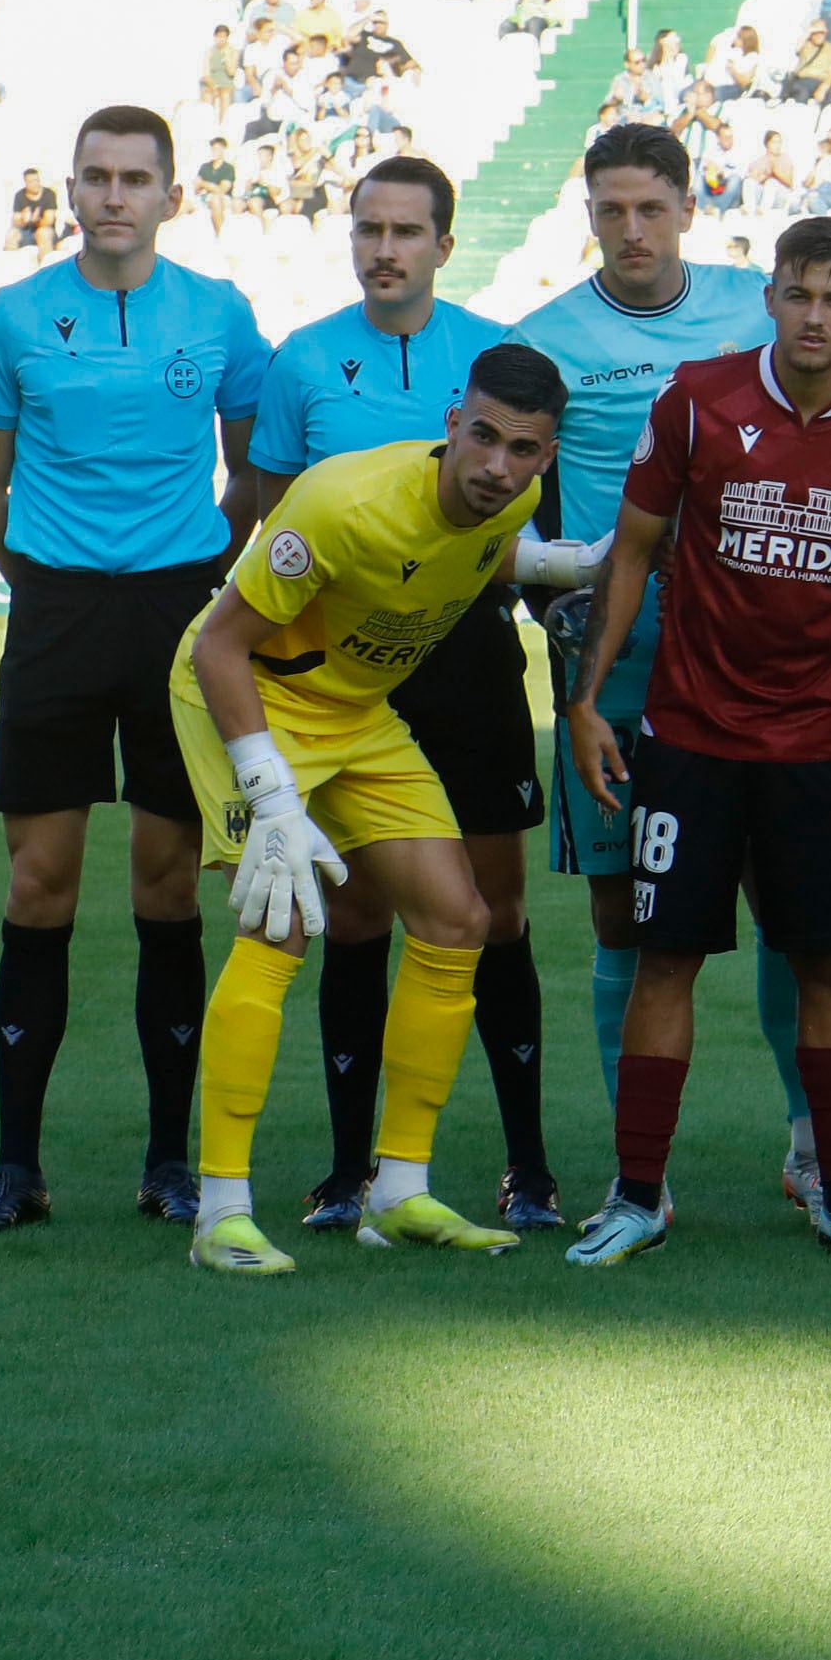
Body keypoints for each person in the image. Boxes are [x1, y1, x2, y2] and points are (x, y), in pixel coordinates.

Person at [558, 217, 831, 1267]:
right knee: (664, 963)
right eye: (799, 295)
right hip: (689, 737)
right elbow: (631, 555)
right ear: (769, 297)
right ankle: (638, 1196)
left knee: (829, 965)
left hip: (820, 747)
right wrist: (586, 702)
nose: (815, 317)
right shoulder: (697, 400)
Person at [171, 349, 576, 1271]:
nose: (497, 467)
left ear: (546, 457)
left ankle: (398, 1193)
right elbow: (220, 649)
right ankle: (221, 1212)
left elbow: (482, 550)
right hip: (244, 702)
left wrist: (564, 562)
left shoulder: (508, 501)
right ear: (451, 422)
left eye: (522, 449)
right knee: (278, 927)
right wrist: (271, 795)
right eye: (482, 437)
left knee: (459, 917)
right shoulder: (336, 503)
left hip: (355, 712)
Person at [0, 106, 271, 1237]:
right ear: (73, 191)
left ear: (173, 195)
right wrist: (40, 578)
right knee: (40, 883)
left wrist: (208, 573)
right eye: (98, 177)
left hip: (179, 614)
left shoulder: (219, 313)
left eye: (138, 178)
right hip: (57, 613)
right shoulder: (16, 316)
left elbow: (260, 463)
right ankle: (15, 1169)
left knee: (168, 885)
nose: (117, 195)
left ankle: (166, 1164)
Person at [239, 157, 562, 1239]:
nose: (385, 249)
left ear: (443, 245)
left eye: (407, 232)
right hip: (343, 669)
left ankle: (527, 1166)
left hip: (467, 660)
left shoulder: (499, 359)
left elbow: (520, 523)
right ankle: (347, 1173)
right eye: (369, 229)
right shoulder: (301, 361)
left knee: (495, 910)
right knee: (358, 913)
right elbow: (267, 510)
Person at [507, 125, 774, 1133]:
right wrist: (561, 612)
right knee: (623, 915)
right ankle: (637, 1166)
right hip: (611, 669)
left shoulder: (752, 311)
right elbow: (520, 504)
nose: (632, 229)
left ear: (689, 210)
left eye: (650, 208)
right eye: (611, 210)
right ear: (587, 216)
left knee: (786, 909)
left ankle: (806, 1150)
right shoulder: (544, 339)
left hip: (750, 655)